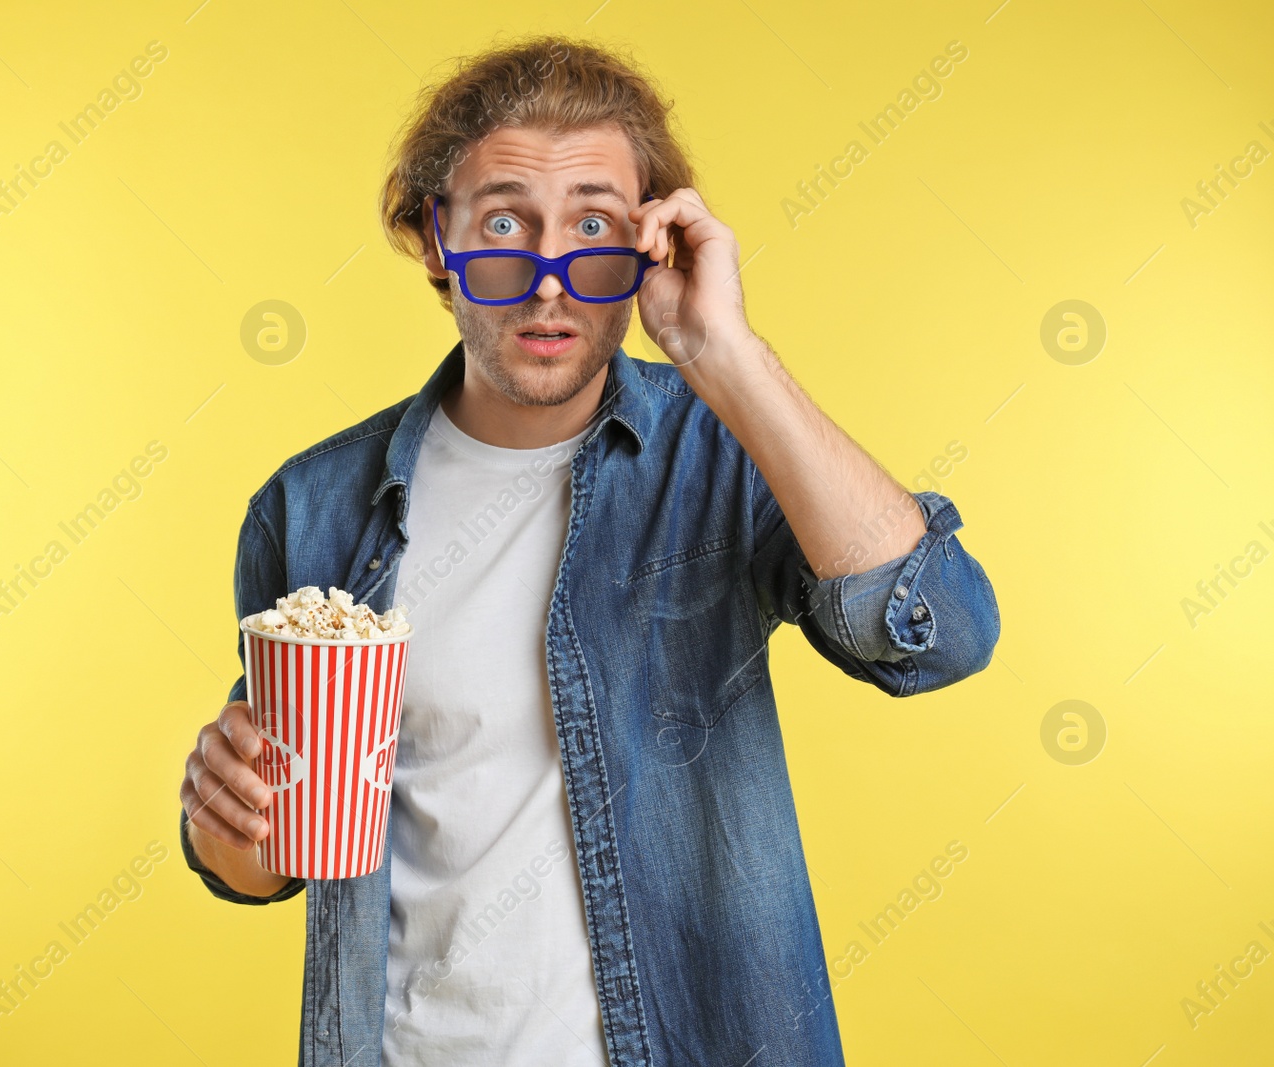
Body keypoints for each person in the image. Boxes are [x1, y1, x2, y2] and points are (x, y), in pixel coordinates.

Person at [178, 35, 1000, 1067]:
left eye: (595, 225)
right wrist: (227, 833)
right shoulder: (309, 508)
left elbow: (940, 634)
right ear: (438, 239)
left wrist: (725, 355)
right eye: (506, 222)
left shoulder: (725, 455)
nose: (549, 278)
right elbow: (272, 850)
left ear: (651, 245)